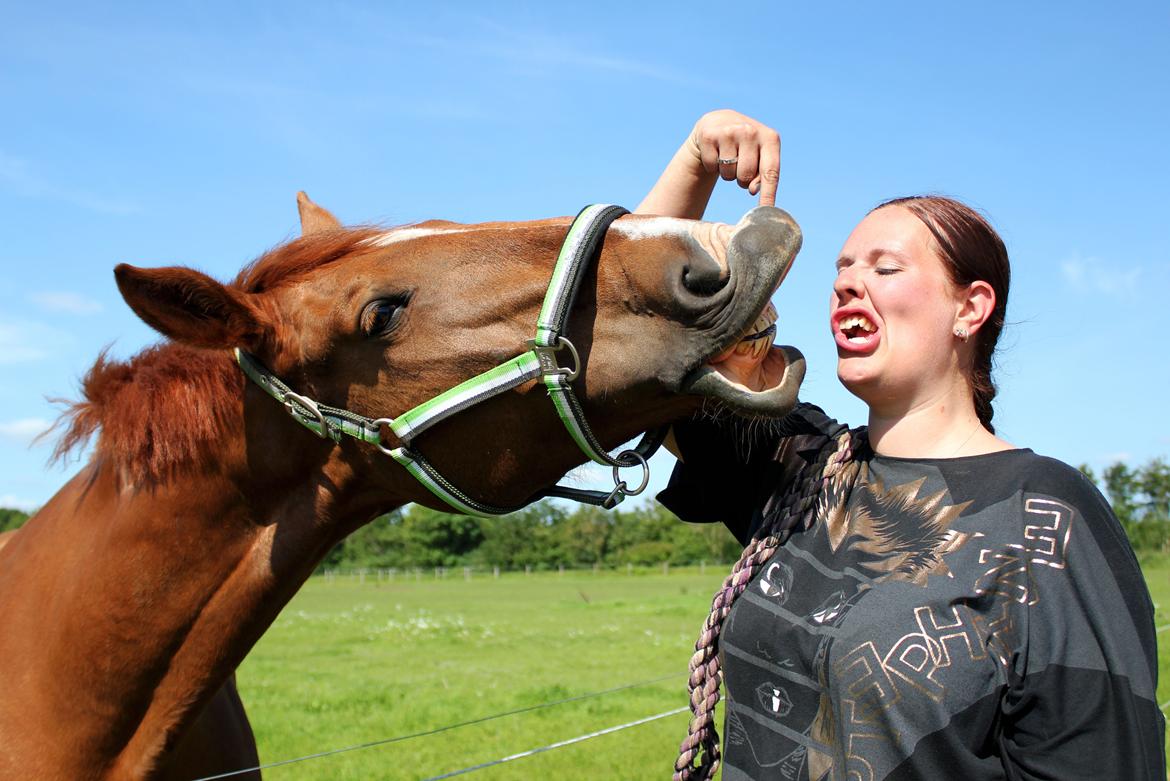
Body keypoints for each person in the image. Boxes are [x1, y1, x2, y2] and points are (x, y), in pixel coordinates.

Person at [640, 110, 1166, 781]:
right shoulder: (805, 470)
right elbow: (645, 351)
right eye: (841, 270)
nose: (846, 283)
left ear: (970, 308)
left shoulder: (1045, 513)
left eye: (884, 267)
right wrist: (694, 162)